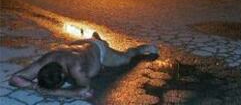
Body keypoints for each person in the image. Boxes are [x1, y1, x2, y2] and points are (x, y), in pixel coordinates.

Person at [9, 32, 158, 99]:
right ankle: (95, 38)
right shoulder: (47, 59)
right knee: (90, 47)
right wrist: (35, 87)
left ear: (62, 76)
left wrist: (54, 92)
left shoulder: (77, 68)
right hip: (78, 44)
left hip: (99, 51)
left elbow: (86, 90)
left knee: (125, 59)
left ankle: (141, 48)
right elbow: (15, 78)